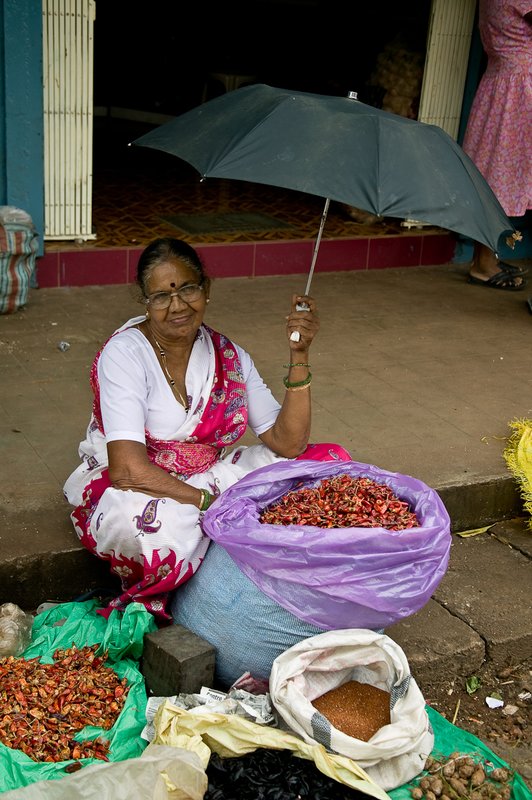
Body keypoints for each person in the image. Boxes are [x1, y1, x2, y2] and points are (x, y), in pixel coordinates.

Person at [63, 237, 350, 621]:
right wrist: (208, 505)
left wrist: (300, 355)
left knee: (323, 465)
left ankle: (217, 542)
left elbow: (288, 442)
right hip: (135, 486)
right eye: (162, 296)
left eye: (188, 289)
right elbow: (128, 469)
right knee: (155, 524)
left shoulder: (227, 355)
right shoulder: (126, 354)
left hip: (206, 477)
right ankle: (206, 559)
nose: (178, 306)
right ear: (145, 301)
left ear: (207, 290)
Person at [462, 0, 531, 291]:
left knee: (492, 174)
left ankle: (484, 260)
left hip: (499, 83)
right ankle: (484, 263)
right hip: (520, 88)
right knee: (501, 178)